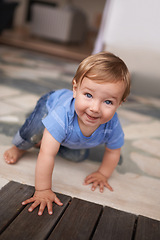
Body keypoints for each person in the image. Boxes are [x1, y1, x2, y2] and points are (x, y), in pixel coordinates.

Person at [4, 52, 130, 216]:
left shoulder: (112, 124)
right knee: (33, 133)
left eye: (108, 102)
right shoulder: (61, 115)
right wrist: (43, 189)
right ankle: (20, 147)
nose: (95, 108)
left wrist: (102, 173)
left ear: (119, 103)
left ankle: (50, 139)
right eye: (88, 95)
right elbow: (47, 155)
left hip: (67, 133)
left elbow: (113, 150)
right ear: (76, 89)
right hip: (49, 105)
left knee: (77, 156)